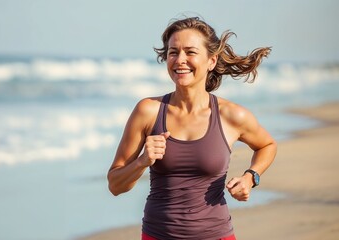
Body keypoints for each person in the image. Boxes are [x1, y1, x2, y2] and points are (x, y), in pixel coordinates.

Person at [107, 16, 277, 240]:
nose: (180, 60)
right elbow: (115, 185)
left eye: (190, 52)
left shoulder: (231, 115)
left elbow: (267, 144)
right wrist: (142, 162)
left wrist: (250, 176)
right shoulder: (148, 111)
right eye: (173, 52)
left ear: (211, 61)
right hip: (157, 235)